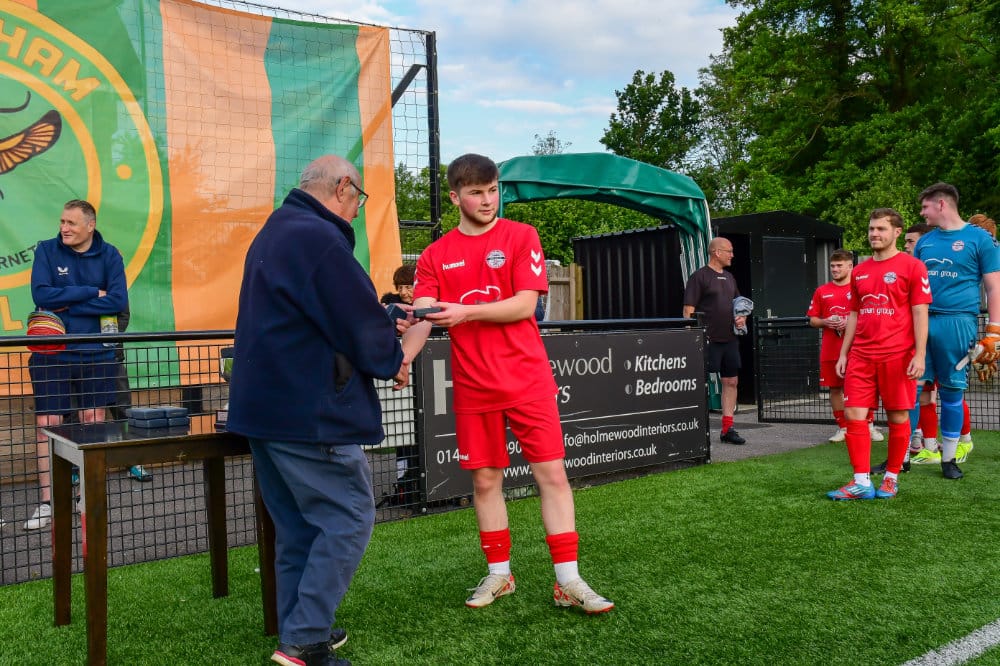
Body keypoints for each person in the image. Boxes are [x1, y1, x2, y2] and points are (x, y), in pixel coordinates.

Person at [398, 153, 614, 614]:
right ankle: (500, 575)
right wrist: (404, 357)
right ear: (454, 197)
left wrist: (465, 312)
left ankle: (568, 581)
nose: (487, 200)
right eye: (476, 192)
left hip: (527, 379)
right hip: (474, 386)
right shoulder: (436, 255)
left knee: (552, 475)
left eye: (493, 190)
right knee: (485, 481)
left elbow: (523, 305)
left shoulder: (521, 235)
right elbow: (424, 314)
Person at [227, 155, 409, 666]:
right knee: (349, 516)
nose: (357, 210)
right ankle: (305, 641)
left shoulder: (277, 231)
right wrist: (392, 355)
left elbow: (320, 315)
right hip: (310, 413)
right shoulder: (320, 238)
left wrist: (384, 316)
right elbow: (358, 327)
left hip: (265, 412)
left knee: (299, 528)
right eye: (359, 199)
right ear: (343, 187)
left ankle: (302, 627)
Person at [25, 199, 129, 529]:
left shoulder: (110, 255)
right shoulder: (46, 249)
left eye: (71, 223)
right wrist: (91, 293)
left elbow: (118, 300)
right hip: (51, 353)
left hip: (96, 353)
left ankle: (87, 495)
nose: (64, 228)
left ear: (90, 225)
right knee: (48, 423)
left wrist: (69, 304)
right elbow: (42, 296)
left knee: (93, 421)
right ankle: (48, 502)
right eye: (62, 222)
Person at [828, 208, 930, 501]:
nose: (874, 233)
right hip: (861, 355)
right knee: (854, 414)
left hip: (898, 355)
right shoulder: (859, 271)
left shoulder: (913, 267)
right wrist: (844, 353)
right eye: (872, 228)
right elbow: (854, 314)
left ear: (896, 232)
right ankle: (861, 481)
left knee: (898, 416)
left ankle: (891, 478)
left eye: (881, 229)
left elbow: (920, 313)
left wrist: (920, 354)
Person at [913, 183, 1000, 479]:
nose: (922, 213)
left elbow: (994, 287)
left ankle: (949, 460)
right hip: (922, 320)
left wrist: (994, 331)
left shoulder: (981, 239)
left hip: (958, 322)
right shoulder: (925, 242)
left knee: (952, 391)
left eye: (925, 207)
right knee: (912, 389)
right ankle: (901, 458)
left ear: (941, 204)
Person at [682, 237, 747, 445]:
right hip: (706, 339)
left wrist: (741, 317)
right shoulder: (699, 276)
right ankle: (692, 429)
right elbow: (688, 310)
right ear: (717, 252)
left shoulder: (730, 277)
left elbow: (739, 305)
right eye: (729, 251)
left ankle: (727, 429)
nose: (732, 255)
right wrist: (691, 338)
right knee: (699, 383)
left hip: (730, 339)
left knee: (731, 381)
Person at [807, 250, 854, 442]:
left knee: (859, 388)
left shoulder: (858, 288)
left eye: (839, 265)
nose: (834, 269)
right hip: (830, 349)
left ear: (850, 266)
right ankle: (843, 427)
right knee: (835, 389)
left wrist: (849, 322)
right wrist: (826, 321)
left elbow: (867, 316)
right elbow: (812, 320)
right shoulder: (822, 291)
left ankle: (867, 425)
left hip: (856, 349)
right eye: (832, 266)